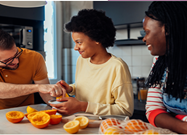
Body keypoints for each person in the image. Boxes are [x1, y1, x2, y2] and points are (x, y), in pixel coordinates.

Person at [49, 9, 134, 116]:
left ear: (97, 39)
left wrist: (83, 106)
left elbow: (125, 110)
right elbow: (88, 87)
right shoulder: (82, 60)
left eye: (79, 42)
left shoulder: (117, 67)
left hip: (104, 128)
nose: (75, 48)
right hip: (80, 123)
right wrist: (70, 89)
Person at [0, 29, 61, 111]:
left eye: (16, 54)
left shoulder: (34, 58)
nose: (16, 61)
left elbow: (46, 93)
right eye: (7, 60)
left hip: (26, 110)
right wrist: (38, 87)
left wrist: (57, 105)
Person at [143, 2, 187, 133]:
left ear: (166, 29)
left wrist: (175, 118)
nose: (144, 39)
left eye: (147, 32)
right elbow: (153, 109)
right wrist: (183, 123)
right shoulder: (160, 61)